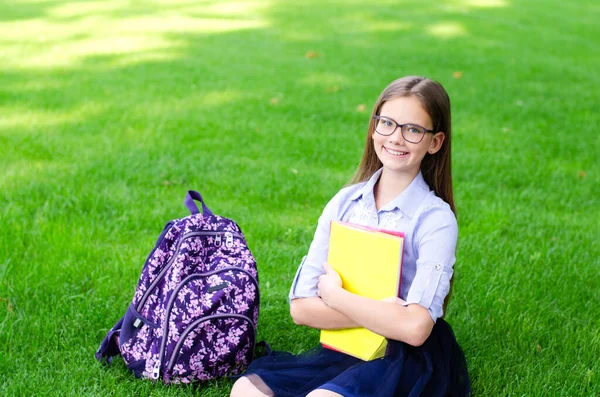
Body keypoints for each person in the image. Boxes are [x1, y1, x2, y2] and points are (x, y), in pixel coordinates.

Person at [230, 76, 471, 397]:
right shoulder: (345, 203)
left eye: (413, 129)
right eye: (387, 123)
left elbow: (415, 329)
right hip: (347, 346)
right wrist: (385, 314)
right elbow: (301, 309)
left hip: (405, 357)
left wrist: (335, 296)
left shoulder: (436, 219)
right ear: (374, 128)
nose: (396, 138)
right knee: (246, 390)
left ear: (435, 142)